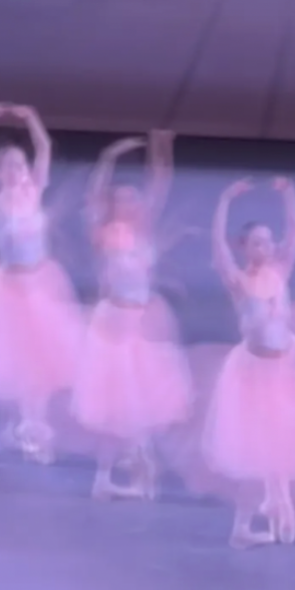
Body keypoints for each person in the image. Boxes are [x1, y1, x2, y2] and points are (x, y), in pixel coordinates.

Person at [200, 177, 295, 548]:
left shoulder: (281, 271)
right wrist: (224, 199)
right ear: (244, 247)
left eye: (268, 240)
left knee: (282, 440)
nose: (266, 246)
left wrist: (289, 193)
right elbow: (217, 246)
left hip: (286, 366)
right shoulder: (238, 280)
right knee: (254, 448)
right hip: (252, 372)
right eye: (257, 241)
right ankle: (248, 521)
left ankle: (277, 498)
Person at [73, 132, 191, 500]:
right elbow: (93, 196)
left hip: (144, 318)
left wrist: (162, 148)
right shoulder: (105, 233)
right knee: (116, 400)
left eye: (131, 197)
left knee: (141, 396)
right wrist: (110, 156)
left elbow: (160, 184)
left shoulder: (144, 231)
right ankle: (115, 470)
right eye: (121, 198)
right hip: (114, 323)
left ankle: (131, 467)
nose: (129, 201)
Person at [0, 103, 83, 462]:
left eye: (20, 164)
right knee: (18, 361)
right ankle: (25, 426)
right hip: (10, 291)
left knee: (41, 362)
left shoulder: (34, 193)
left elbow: (44, 149)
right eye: (7, 165)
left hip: (42, 283)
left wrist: (31, 119)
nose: (15, 170)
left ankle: (32, 425)